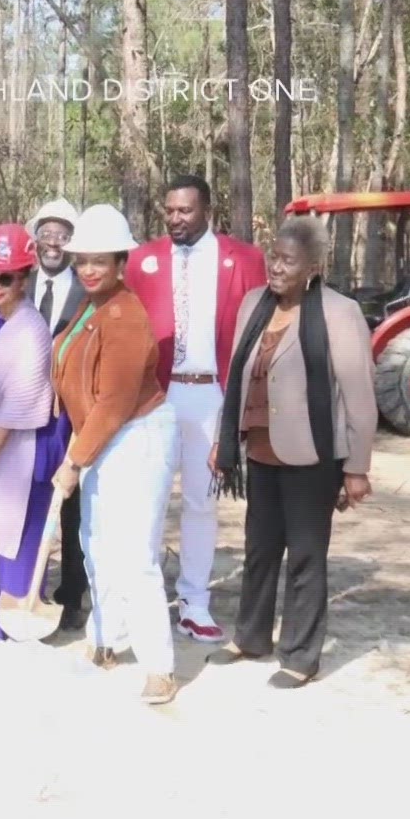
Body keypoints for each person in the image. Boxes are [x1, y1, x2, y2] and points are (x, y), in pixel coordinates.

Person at [207, 218, 378, 688]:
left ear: (312, 268)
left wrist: (357, 468)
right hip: (260, 450)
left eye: (287, 261)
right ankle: (251, 637)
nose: (275, 267)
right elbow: (239, 376)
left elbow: (359, 394)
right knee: (259, 550)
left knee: (305, 556)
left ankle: (301, 656)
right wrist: (225, 440)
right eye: (273, 256)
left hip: (313, 456)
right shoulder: (252, 305)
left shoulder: (339, 313)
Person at [124, 175, 267, 644]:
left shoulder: (244, 259)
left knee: (202, 503)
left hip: (212, 396)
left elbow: (261, 328)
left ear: (207, 210)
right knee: (147, 500)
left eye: (185, 211)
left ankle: (194, 601)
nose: (175, 219)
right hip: (157, 397)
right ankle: (137, 601)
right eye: (169, 211)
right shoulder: (142, 260)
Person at [51, 205, 181, 706]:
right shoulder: (89, 305)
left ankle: (159, 666)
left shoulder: (124, 315)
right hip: (103, 437)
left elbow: (115, 401)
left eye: (99, 261)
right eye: (81, 259)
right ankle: (105, 638)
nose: (88, 269)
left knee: (134, 554)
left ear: (120, 261)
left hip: (138, 435)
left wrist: (73, 461)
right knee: (96, 544)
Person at [0, 224, 65, 641]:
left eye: (7, 277)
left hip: (28, 451)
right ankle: (3, 631)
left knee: (20, 540)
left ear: (26, 277)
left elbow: (15, 409)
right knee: (4, 539)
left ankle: (20, 638)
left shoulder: (33, 330)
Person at [25, 197, 91, 632]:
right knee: (29, 501)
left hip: (71, 413)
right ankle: (28, 587)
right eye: (46, 234)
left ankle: (71, 594)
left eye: (62, 236)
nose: (53, 242)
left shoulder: (88, 290)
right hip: (26, 411)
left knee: (71, 507)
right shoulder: (17, 283)